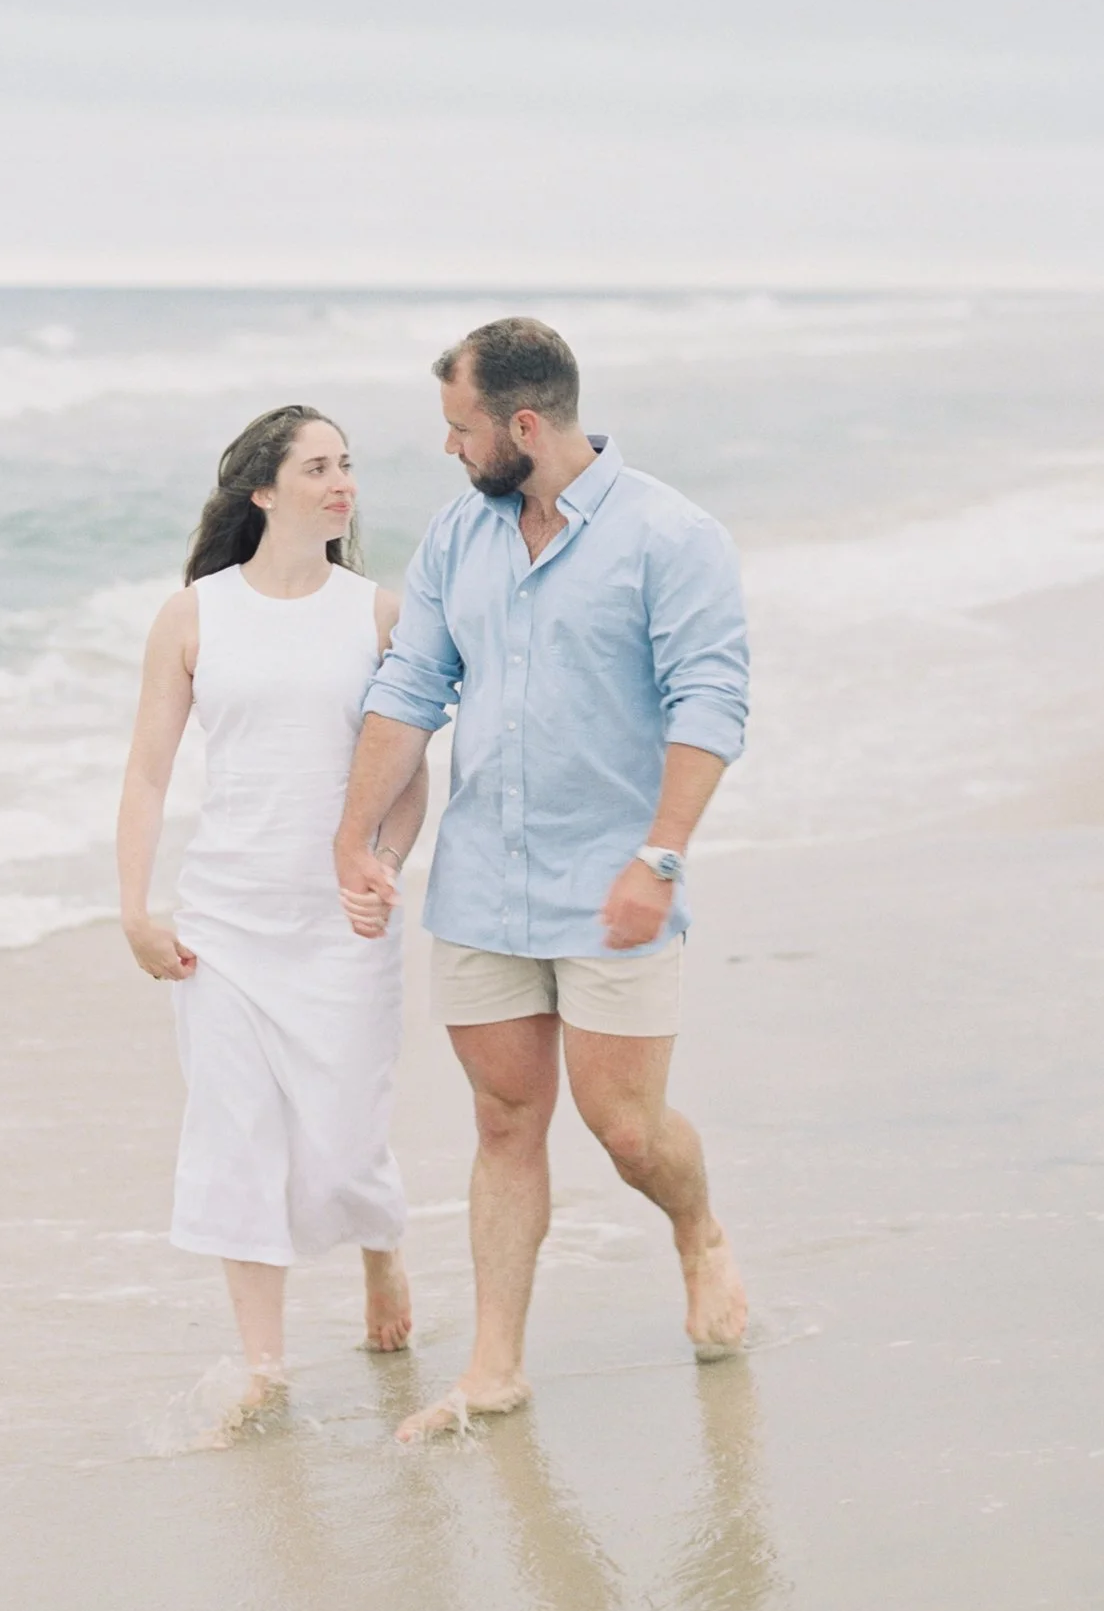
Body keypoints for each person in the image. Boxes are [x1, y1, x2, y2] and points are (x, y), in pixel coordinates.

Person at [334, 319, 750, 1442]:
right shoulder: (457, 539)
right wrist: (357, 837)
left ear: (523, 425)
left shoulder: (673, 536)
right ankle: (494, 1368)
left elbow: (711, 705)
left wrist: (659, 855)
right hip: (482, 887)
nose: (451, 451)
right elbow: (411, 685)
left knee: (625, 1128)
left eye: (460, 429)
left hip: (617, 882)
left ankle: (698, 1229)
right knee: (507, 1118)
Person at [118, 404, 425, 1418]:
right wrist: (136, 908)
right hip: (226, 919)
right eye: (318, 468)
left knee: (341, 1136)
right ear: (263, 491)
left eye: (347, 466)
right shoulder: (194, 614)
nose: (342, 484)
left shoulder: (377, 612)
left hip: (341, 919)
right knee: (237, 1134)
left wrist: (381, 864)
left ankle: (382, 1246)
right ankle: (262, 1364)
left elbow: (409, 772)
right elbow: (149, 774)